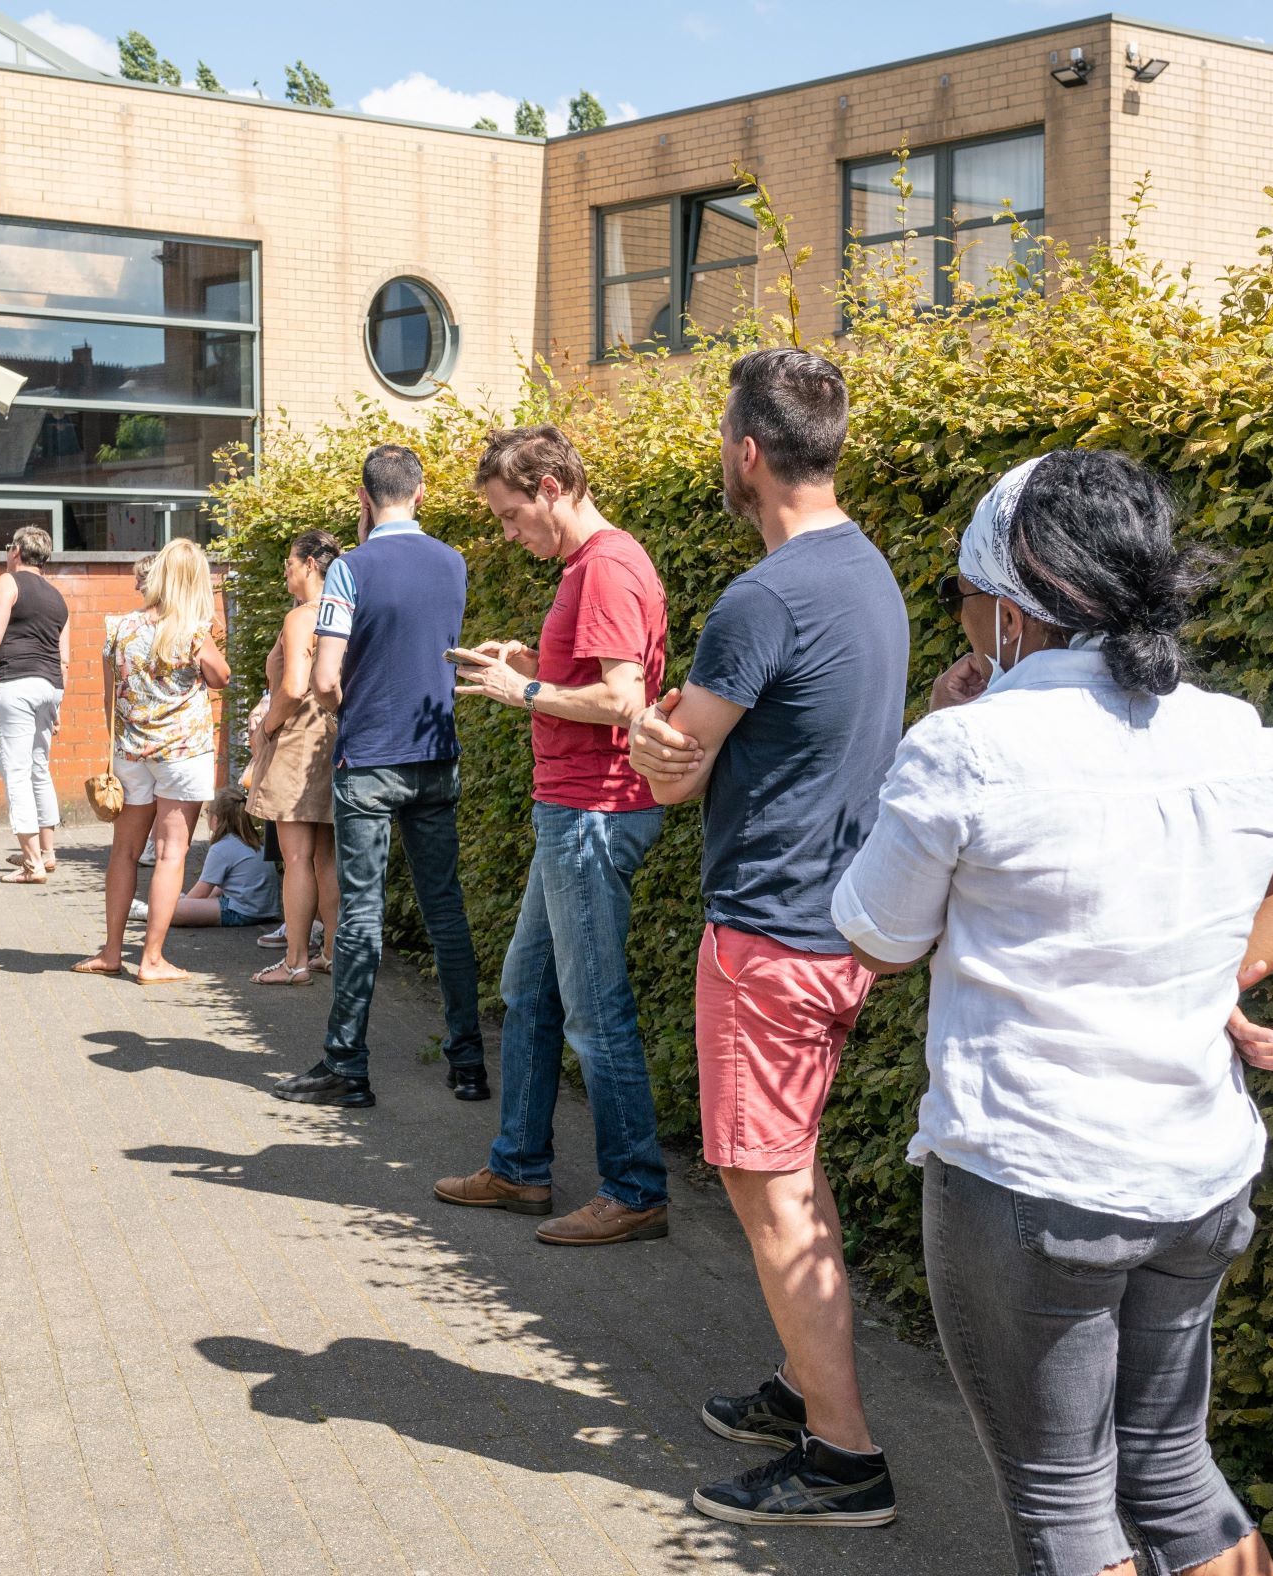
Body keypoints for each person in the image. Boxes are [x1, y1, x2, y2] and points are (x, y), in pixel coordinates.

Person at [830, 450, 1273, 1576]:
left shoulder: (966, 749)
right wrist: (1213, 977)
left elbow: (874, 938)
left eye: (959, 591)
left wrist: (924, 734)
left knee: (1066, 1508)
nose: (958, 613)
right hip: (1196, 1175)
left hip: (1029, 1179)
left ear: (1006, 601)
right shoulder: (1228, 731)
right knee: (1174, 1470)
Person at [628, 347, 907, 1526]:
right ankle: (805, 1387)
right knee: (793, 1169)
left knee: (766, 1189)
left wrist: (653, 743)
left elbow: (674, 767)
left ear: (747, 452)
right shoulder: (869, 573)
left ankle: (843, 1459)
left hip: (768, 937)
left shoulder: (763, 598)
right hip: (836, 926)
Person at [434, 426, 674, 1248]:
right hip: (575, 812)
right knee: (529, 990)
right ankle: (519, 1168)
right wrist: (532, 657)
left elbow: (622, 701)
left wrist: (521, 686)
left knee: (594, 1012)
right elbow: (598, 675)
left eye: (508, 516)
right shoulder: (594, 565)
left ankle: (635, 1189)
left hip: (591, 814)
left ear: (547, 487)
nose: (507, 533)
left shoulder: (604, 565)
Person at [272, 445, 484, 1110]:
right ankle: (469, 1063)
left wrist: (343, 708)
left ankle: (346, 1066)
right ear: (421, 493)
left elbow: (325, 679)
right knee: (444, 909)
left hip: (367, 759)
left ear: (364, 498)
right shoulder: (454, 563)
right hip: (434, 754)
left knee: (361, 915)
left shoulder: (350, 572)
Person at [75, 538, 229, 983]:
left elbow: (109, 698)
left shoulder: (119, 628)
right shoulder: (193, 632)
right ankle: (153, 959)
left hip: (130, 755)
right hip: (182, 754)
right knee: (170, 853)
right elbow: (221, 677)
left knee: (123, 852)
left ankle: (110, 952)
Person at [244, 529, 343, 986]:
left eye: (289, 560)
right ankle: (331, 954)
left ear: (309, 564)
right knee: (325, 855)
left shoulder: (302, 616)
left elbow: (294, 686)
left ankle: (295, 961)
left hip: (298, 738)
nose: (285, 568)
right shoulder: (347, 610)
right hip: (336, 737)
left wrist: (267, 728)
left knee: (297, 857)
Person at [0, 523, 69, 883]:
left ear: (15, 552)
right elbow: (63, 657)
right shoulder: (58, 596)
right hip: (50, 687)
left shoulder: (9, 582)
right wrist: (58, 705)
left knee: (17, 773)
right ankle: (48, 852)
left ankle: (31, 864)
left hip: (17, 684)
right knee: (39, 767)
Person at [131, 786, 282, 930]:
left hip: (241, 911)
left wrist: (184, 902)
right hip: (265, 911)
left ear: (215, 819)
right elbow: (218, 887)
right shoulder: (254, 842)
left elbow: (201, 893)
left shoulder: (221, 848)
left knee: (172, 908)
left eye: (207, 812)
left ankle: (144, 911)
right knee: (178, 900)